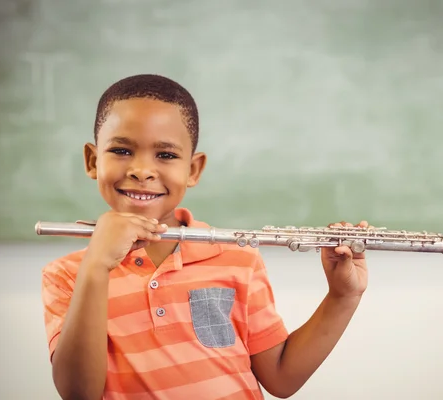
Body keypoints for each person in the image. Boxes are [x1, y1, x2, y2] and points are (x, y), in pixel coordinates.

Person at [41, 74, 371, 400]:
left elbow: (281, 378)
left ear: (194, 169)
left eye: (166, 155)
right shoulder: (69, 275)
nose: (142, 170)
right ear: (92, 160)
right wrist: (96, 267)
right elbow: (77, 393)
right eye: (122, 150)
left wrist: (342, 297)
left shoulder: (237, 257)